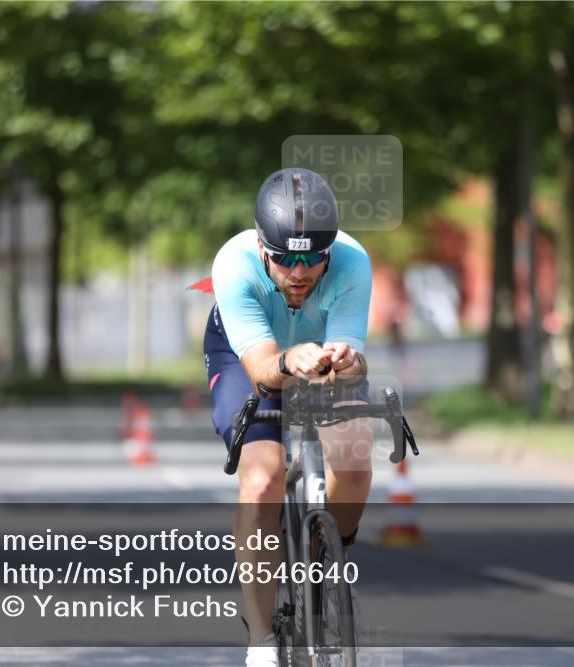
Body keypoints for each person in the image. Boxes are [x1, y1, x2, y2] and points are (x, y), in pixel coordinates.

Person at [204, 168, 373, 666]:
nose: (299, 272)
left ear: (329, 252)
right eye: (284, 259)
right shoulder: (233, 264)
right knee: (262, 479)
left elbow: (356, 363)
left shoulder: (353, 261)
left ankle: (325, 564)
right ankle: (260, 640)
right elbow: (260, 368)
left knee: (354, 458)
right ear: (262, 249)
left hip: (320, 356)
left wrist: (348, 363)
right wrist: (284, 362)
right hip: (248, 358)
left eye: (312, 259)